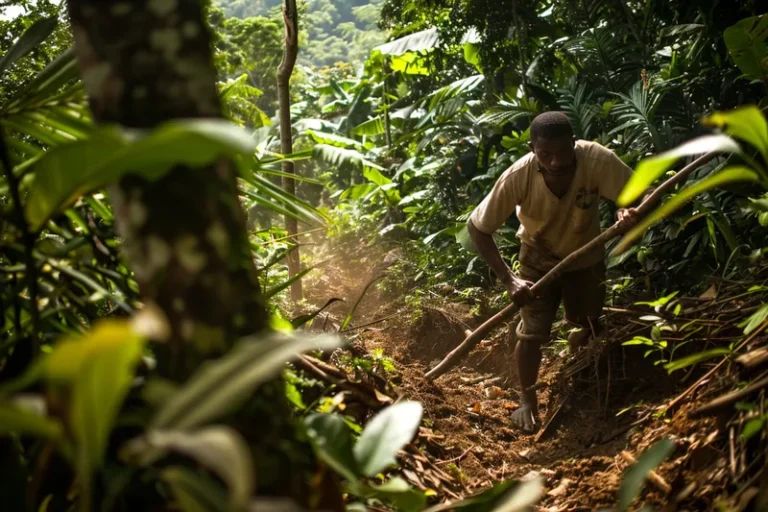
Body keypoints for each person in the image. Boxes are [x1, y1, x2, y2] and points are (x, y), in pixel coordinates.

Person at [467, 111, 640, 433]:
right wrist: (510, 280)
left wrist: (626, 210)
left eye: (563, 153)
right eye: (546, 154)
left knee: (587, 324)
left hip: (586, 256)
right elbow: (478, 227)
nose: (557, 162)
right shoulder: (518, 176)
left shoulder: (597, 160)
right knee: (532, 333)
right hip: (537, 257)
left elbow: (638, 194)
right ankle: (527, 400)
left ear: (575, 143)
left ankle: (574, 380)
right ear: (533, 148)